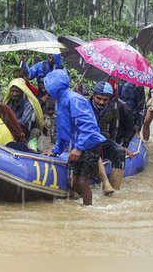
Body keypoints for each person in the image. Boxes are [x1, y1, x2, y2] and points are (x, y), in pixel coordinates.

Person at [43, 69, 106, 206]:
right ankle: (84, 204)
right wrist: (57, 150)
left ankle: (88, 209)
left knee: (82, 181)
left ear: (53, 88)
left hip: (89, 145)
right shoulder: (60, 101)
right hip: (76, 145)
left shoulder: (74, 99)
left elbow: (89, 127)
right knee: (74, 182)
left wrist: (79, 148)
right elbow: (62, 129)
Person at [90, 81, 126, 190]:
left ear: (109, 99)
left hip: (104, 141)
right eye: (98, 98)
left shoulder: (113, 108)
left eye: (105, 100)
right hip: (88, 141)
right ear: (93, 96)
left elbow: (114, 129)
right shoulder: (85, 105)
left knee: (120, 151)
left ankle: (114, 189)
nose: (101, 102)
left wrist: (115, 144)